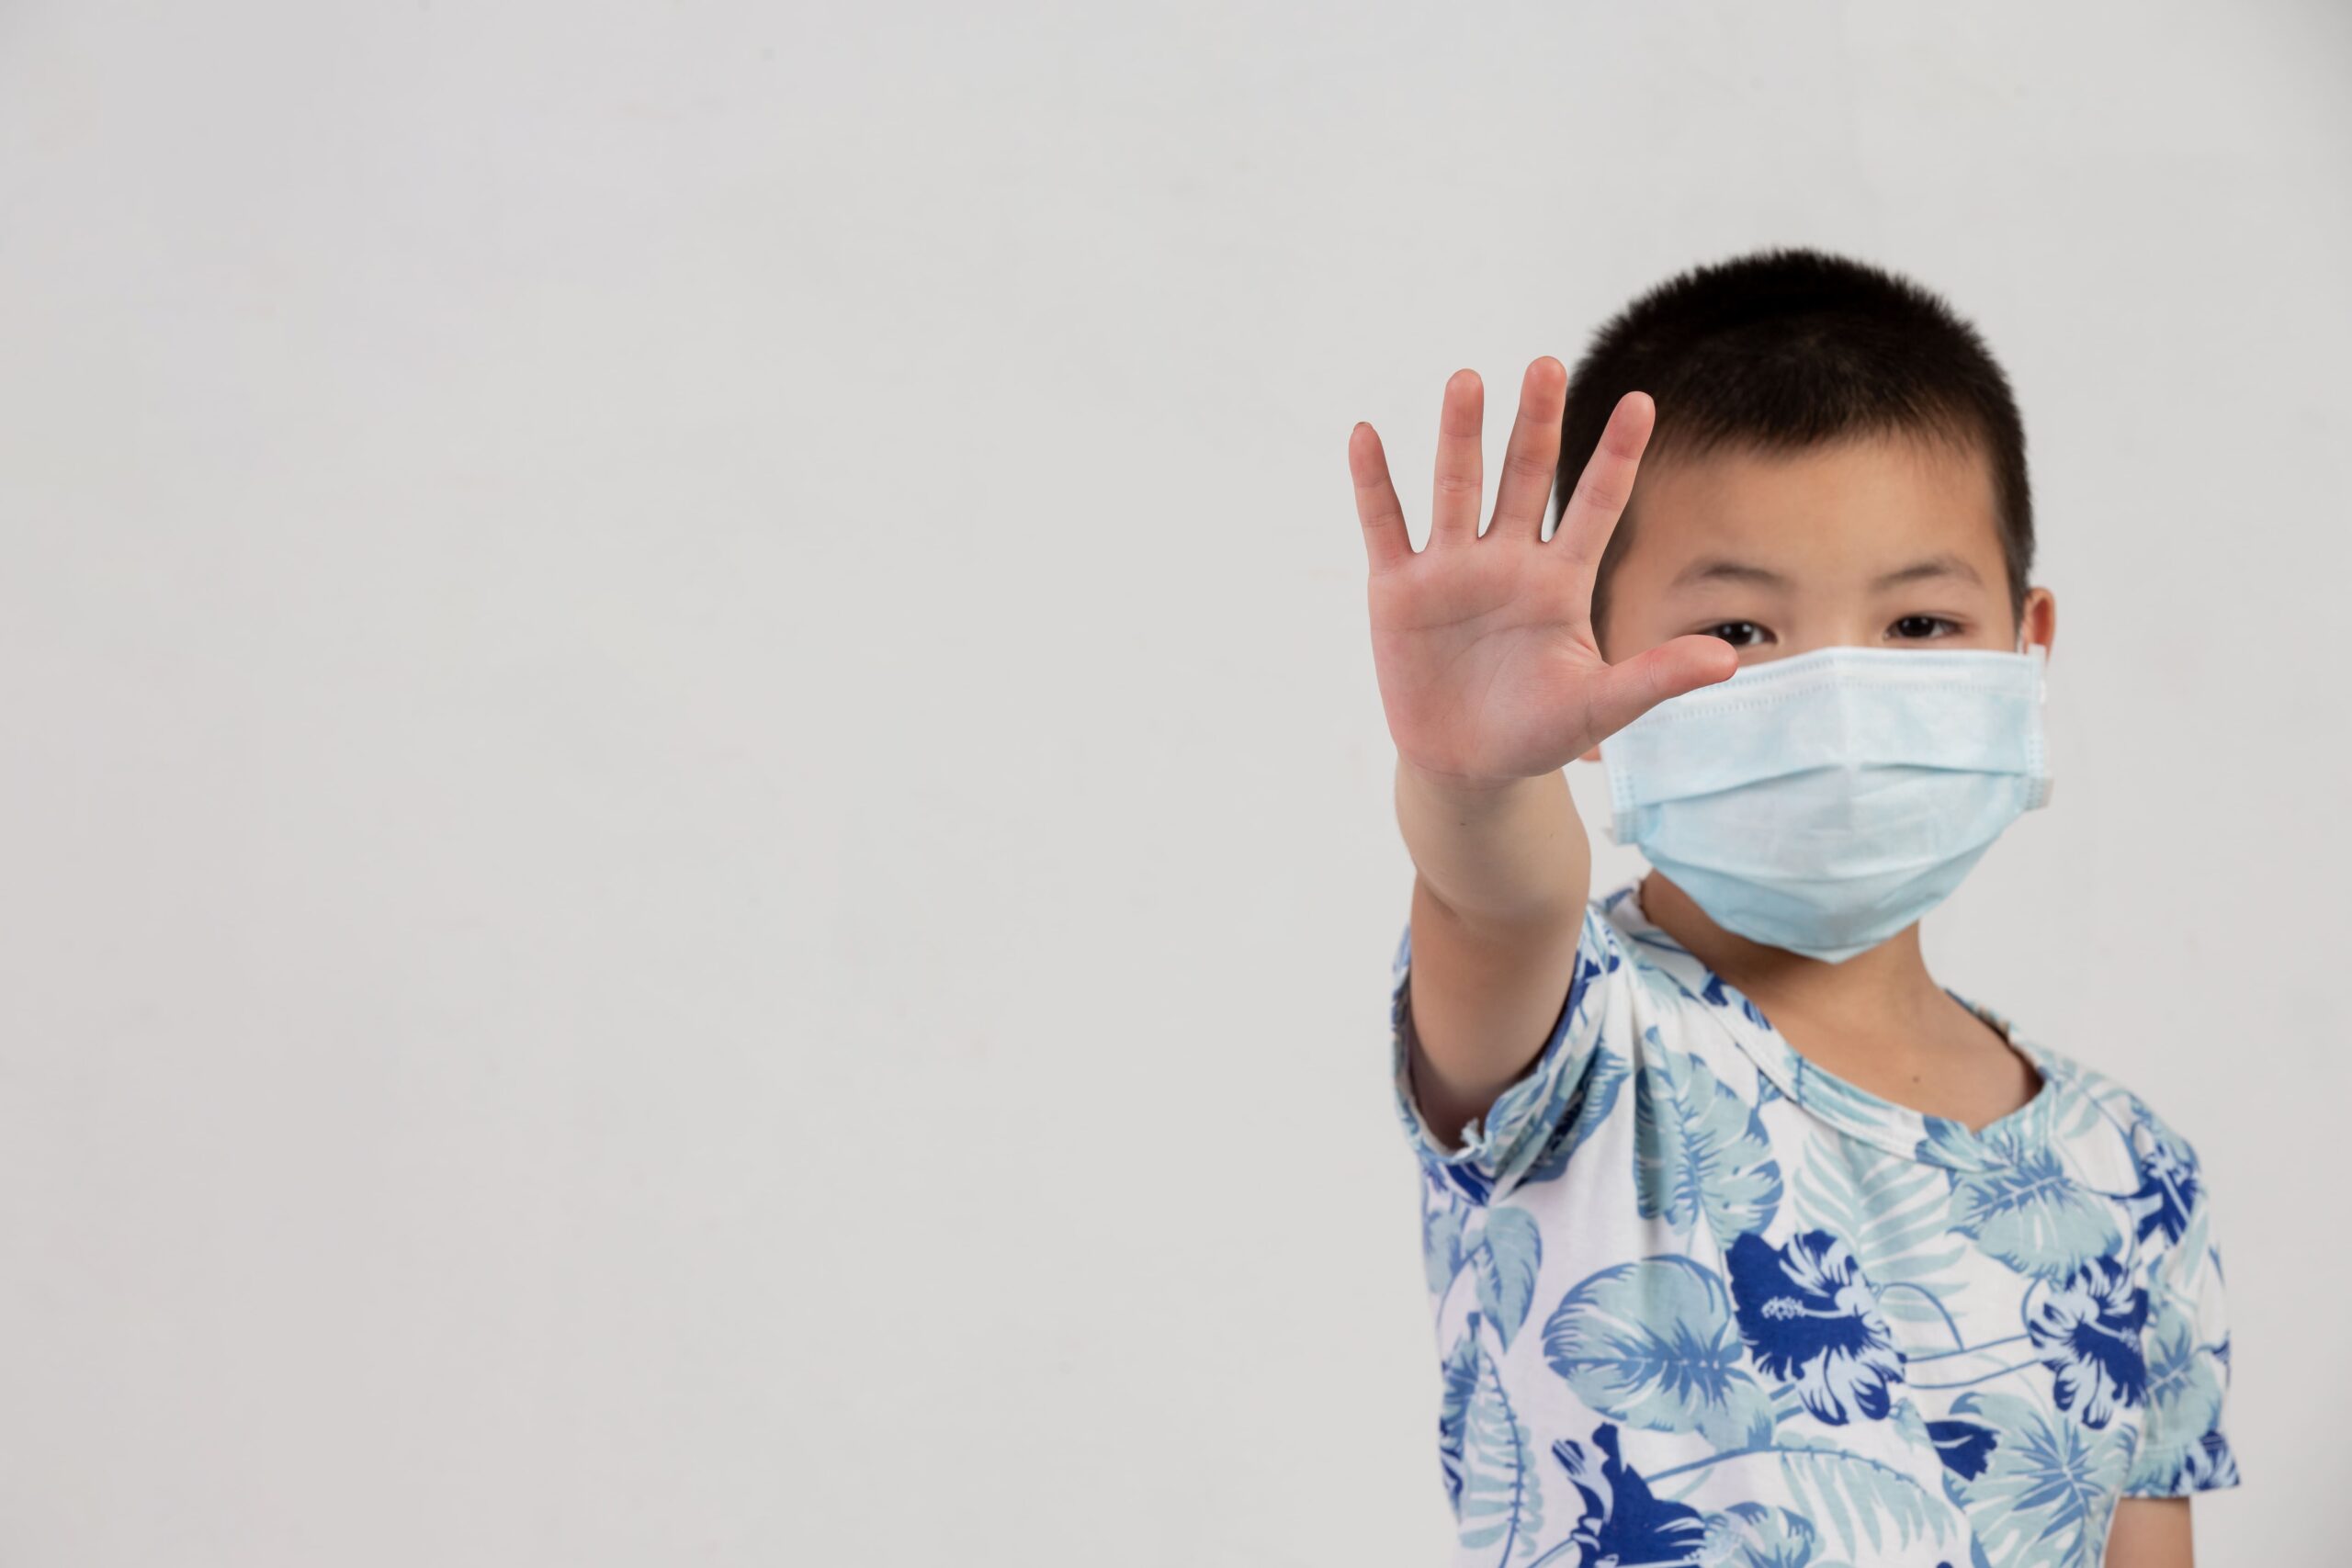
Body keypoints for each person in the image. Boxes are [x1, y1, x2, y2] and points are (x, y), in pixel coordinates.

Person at [1350, 246, 2236, 1568]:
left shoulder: (2137, 1175)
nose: (1837, 700)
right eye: (1744, 634)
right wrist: (1469, 776)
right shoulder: (1577, 1053)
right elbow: (1493, 896)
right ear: (1587, 664)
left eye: (1921, 626)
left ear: (2028, 647)